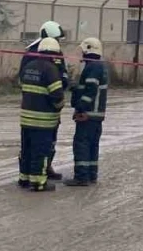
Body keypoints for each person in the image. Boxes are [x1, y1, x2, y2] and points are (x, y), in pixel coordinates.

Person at [19, 20, 68, 180]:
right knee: (40, 142)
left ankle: (40, 170)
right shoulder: (34, 53)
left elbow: (63, 73)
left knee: (46, 140)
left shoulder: (53, 51)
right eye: (57, 38)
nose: (59, 42)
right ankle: (38, 176)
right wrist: (58, 98)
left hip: (33, 108)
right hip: (44, 106)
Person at [64, 37, 109, 187]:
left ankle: (81, 177)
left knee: (81, 145)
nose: (82, 53)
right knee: (92, 145)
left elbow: (90, 91)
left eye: (83, 50)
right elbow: (89, 89)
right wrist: (76, 88)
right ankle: (91, 174)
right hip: (96, 116)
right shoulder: (98, 66)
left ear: (89, 49)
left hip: (89, 115)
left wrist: (81, 108)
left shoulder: (92, 67)